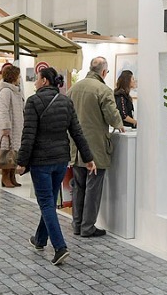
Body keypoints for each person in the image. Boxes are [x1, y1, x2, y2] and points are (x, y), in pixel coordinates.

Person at [17, 67, 95, 266]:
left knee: (46, 203)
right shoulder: (66, 102)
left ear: (44, 81)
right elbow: (77, 132)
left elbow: (28, 135)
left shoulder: (33, 102)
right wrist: (88, 158)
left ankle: (60, 247)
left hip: (41, 162)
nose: (35, 82)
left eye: (37, 79)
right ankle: (39, 239)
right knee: (49, 201)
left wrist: (21, 162)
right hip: (61, 160)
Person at [69, 57, 126, 238]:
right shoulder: (103, 90)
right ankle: (88, 227)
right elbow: (112, 116)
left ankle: (77, 224)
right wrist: (119, 125)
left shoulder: (74, 88)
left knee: (78, 187)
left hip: (76, 148)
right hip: (95, 148)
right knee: (93, 187)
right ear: (103, 72)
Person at [0, 64, 25, 188]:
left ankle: (12, 176)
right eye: (18, 76)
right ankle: (5, 177)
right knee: (6, 152)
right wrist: (5, 126)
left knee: (13, 152)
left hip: (16, 126)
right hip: (8, 128)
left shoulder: (16, 91)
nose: (19, 78)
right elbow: (3, 110)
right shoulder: (6, 91)